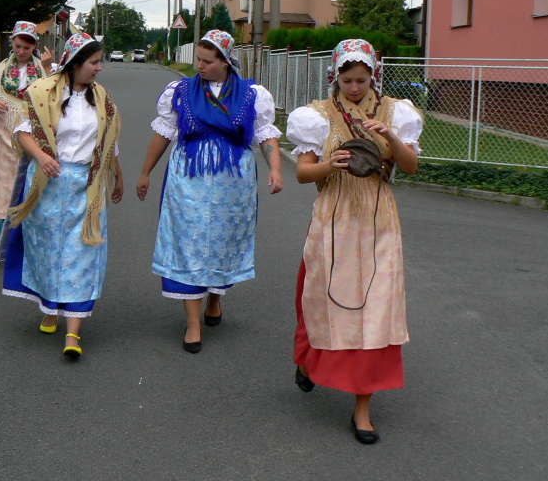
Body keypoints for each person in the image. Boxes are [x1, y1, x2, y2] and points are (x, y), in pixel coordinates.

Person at [285, 38, 423, 444]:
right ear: (336, 77)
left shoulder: (396, 112)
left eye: (362, 80)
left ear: (373, 75)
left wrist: (391, 138)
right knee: (325, 300)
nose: (355, 87)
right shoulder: (317, 116)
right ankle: (309, 361)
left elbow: (411, 167)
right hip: (335, 215)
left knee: (378, 311)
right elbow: (303, 173)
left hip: (379, 220)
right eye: (347, 81)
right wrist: (330, 164)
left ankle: (363, 409)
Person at [136, 30, 283, 354]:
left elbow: (264, 134)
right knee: (189, 242)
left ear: (226, 61)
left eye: (207, 61)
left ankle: (215, 297)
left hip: (233, 182)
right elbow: (164, 133)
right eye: (198, 59)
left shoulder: (252, 93)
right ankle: (193, 323)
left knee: (223, 241)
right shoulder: (180, 91)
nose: (199, 66)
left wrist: (275, 168)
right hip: (189, 179)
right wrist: (146, 172)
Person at [0, 33, 123, 359]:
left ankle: (73, 332)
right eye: (94, 62)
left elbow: (108, 142)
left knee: (81, 254)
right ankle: (50, 308)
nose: (99, 68)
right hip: (48, 185)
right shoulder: (43, 92)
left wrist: (118, 176)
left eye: (99, 62)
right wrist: (41, 157)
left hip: (86, 186)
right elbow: (22, 132)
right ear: (76, 63)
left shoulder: (102, 98)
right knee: (48, 252)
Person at [0, 21, 53, 235]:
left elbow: (55, 99)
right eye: (18, 46)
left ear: (35, 46)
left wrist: (47, 69)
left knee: (31, 186)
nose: (21, 51)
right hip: (3, 140)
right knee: (3, 187)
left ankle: (29, 237)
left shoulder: (46, 70)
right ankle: (6, 239)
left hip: (35, 142)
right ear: (12, 42)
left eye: (27, 47)